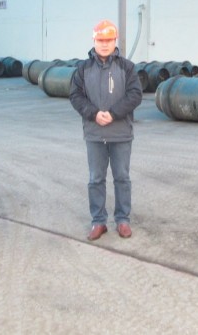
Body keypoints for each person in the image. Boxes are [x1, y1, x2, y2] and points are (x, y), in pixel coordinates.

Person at [70, 20, 143, 241]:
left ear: (115, 41)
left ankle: (123, 220)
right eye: (100, 40)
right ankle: (98, 221)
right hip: (94, 133)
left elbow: (135, 95)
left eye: (108, 40)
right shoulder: (83, 69)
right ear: (94, 41)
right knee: (96, 179)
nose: (104, 44)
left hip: (121, 133)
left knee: (122, 178)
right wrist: (93, 113)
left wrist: (113, 113)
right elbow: (75, 96)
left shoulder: (127, 67)